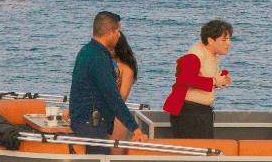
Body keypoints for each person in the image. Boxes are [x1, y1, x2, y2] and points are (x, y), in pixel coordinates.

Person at [69, 12, 148, 146]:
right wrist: (134, 128)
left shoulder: (85, 51)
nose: (119, 35)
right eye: (118, 31)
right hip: (92, 126)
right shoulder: (100, 58)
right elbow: (112, 96)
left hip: (80, 121)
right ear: (109, 32)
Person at [162, 19, 234, 139]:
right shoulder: (196, 55)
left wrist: (217, 82)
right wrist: (214, 81)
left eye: (229, 39)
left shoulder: (210, 53)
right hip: (190, 113)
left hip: (199, 112)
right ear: (211, 40)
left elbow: (200, 78)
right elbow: (184, 78)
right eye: (224, 40)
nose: (229, 43)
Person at [111, 33, 140, 140]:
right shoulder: (100, 62)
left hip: (116, 115)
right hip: (96, 114)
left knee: (113, 155)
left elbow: (122, 97)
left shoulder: (126, 67)